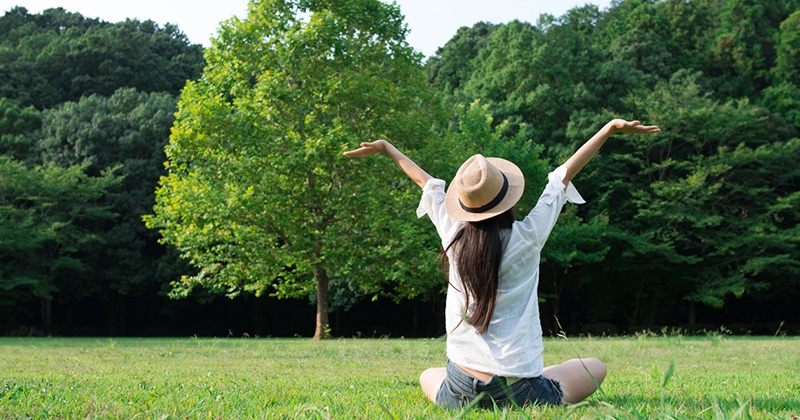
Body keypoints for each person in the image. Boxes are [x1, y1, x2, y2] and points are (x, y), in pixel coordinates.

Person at [344, 119, 660, 409]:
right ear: (507, 199)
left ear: (465, 206)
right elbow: (562, 177)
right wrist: (608, 130)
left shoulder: (453, 235)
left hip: (461, 391)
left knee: (430, 373)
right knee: (595, 367)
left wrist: (387, 148)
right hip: (521, 391)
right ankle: (530, 380)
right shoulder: (527, 236)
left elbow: (428, 184)